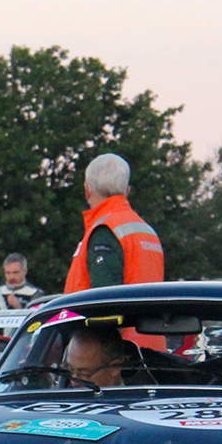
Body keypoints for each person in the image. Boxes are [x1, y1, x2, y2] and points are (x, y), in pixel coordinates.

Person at [64, 153, 164, 293]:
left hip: (109, 314)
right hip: (146, 314)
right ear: (127, 191)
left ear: (87, 190)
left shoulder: (105, 231)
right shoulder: (147, 232)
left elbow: (103, 301)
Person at [62, 324, 135, 388]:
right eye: (70, 370)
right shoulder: (58, 399)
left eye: (84, 374)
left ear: (115, 367)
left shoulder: (137, 402)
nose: (74, 382)